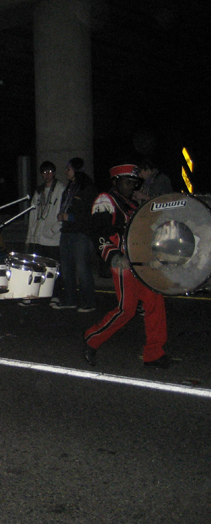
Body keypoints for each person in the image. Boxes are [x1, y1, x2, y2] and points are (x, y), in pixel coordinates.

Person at [83, 164, 169, 369]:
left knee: (155, 303)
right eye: (128, 182)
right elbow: (99, 232)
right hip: (122, 261)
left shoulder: (131, 204)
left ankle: (154, 353)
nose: (132, 186)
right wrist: (114, 257)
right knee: (126, 309)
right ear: (115, 182)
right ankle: (92, 338)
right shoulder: (106, 200)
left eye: (134, 182)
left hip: (142, 262)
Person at [54, 157, 97, 312]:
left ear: (76, 171)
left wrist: (69, 217)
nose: (65, 172)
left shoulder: (86, 188)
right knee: (66, 268)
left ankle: (89, 302)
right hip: (66, 232)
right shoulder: (70, 188)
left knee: (82, 268)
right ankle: (70, 299)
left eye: (68, 169)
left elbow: (89, 213)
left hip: (81, 233)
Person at [22, 160, 66, 305]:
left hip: (53, 238)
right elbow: (33, 213)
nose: (47, 175)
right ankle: (34, 294)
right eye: (44, 172)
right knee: (36, 267)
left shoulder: (61, 189)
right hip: (38, 237)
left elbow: (63, 211)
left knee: (53, 268)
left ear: (54, 173)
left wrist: (54, 229)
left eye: (50, 172)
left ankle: (55, 295)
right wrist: (30, 236)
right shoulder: (39, 191)